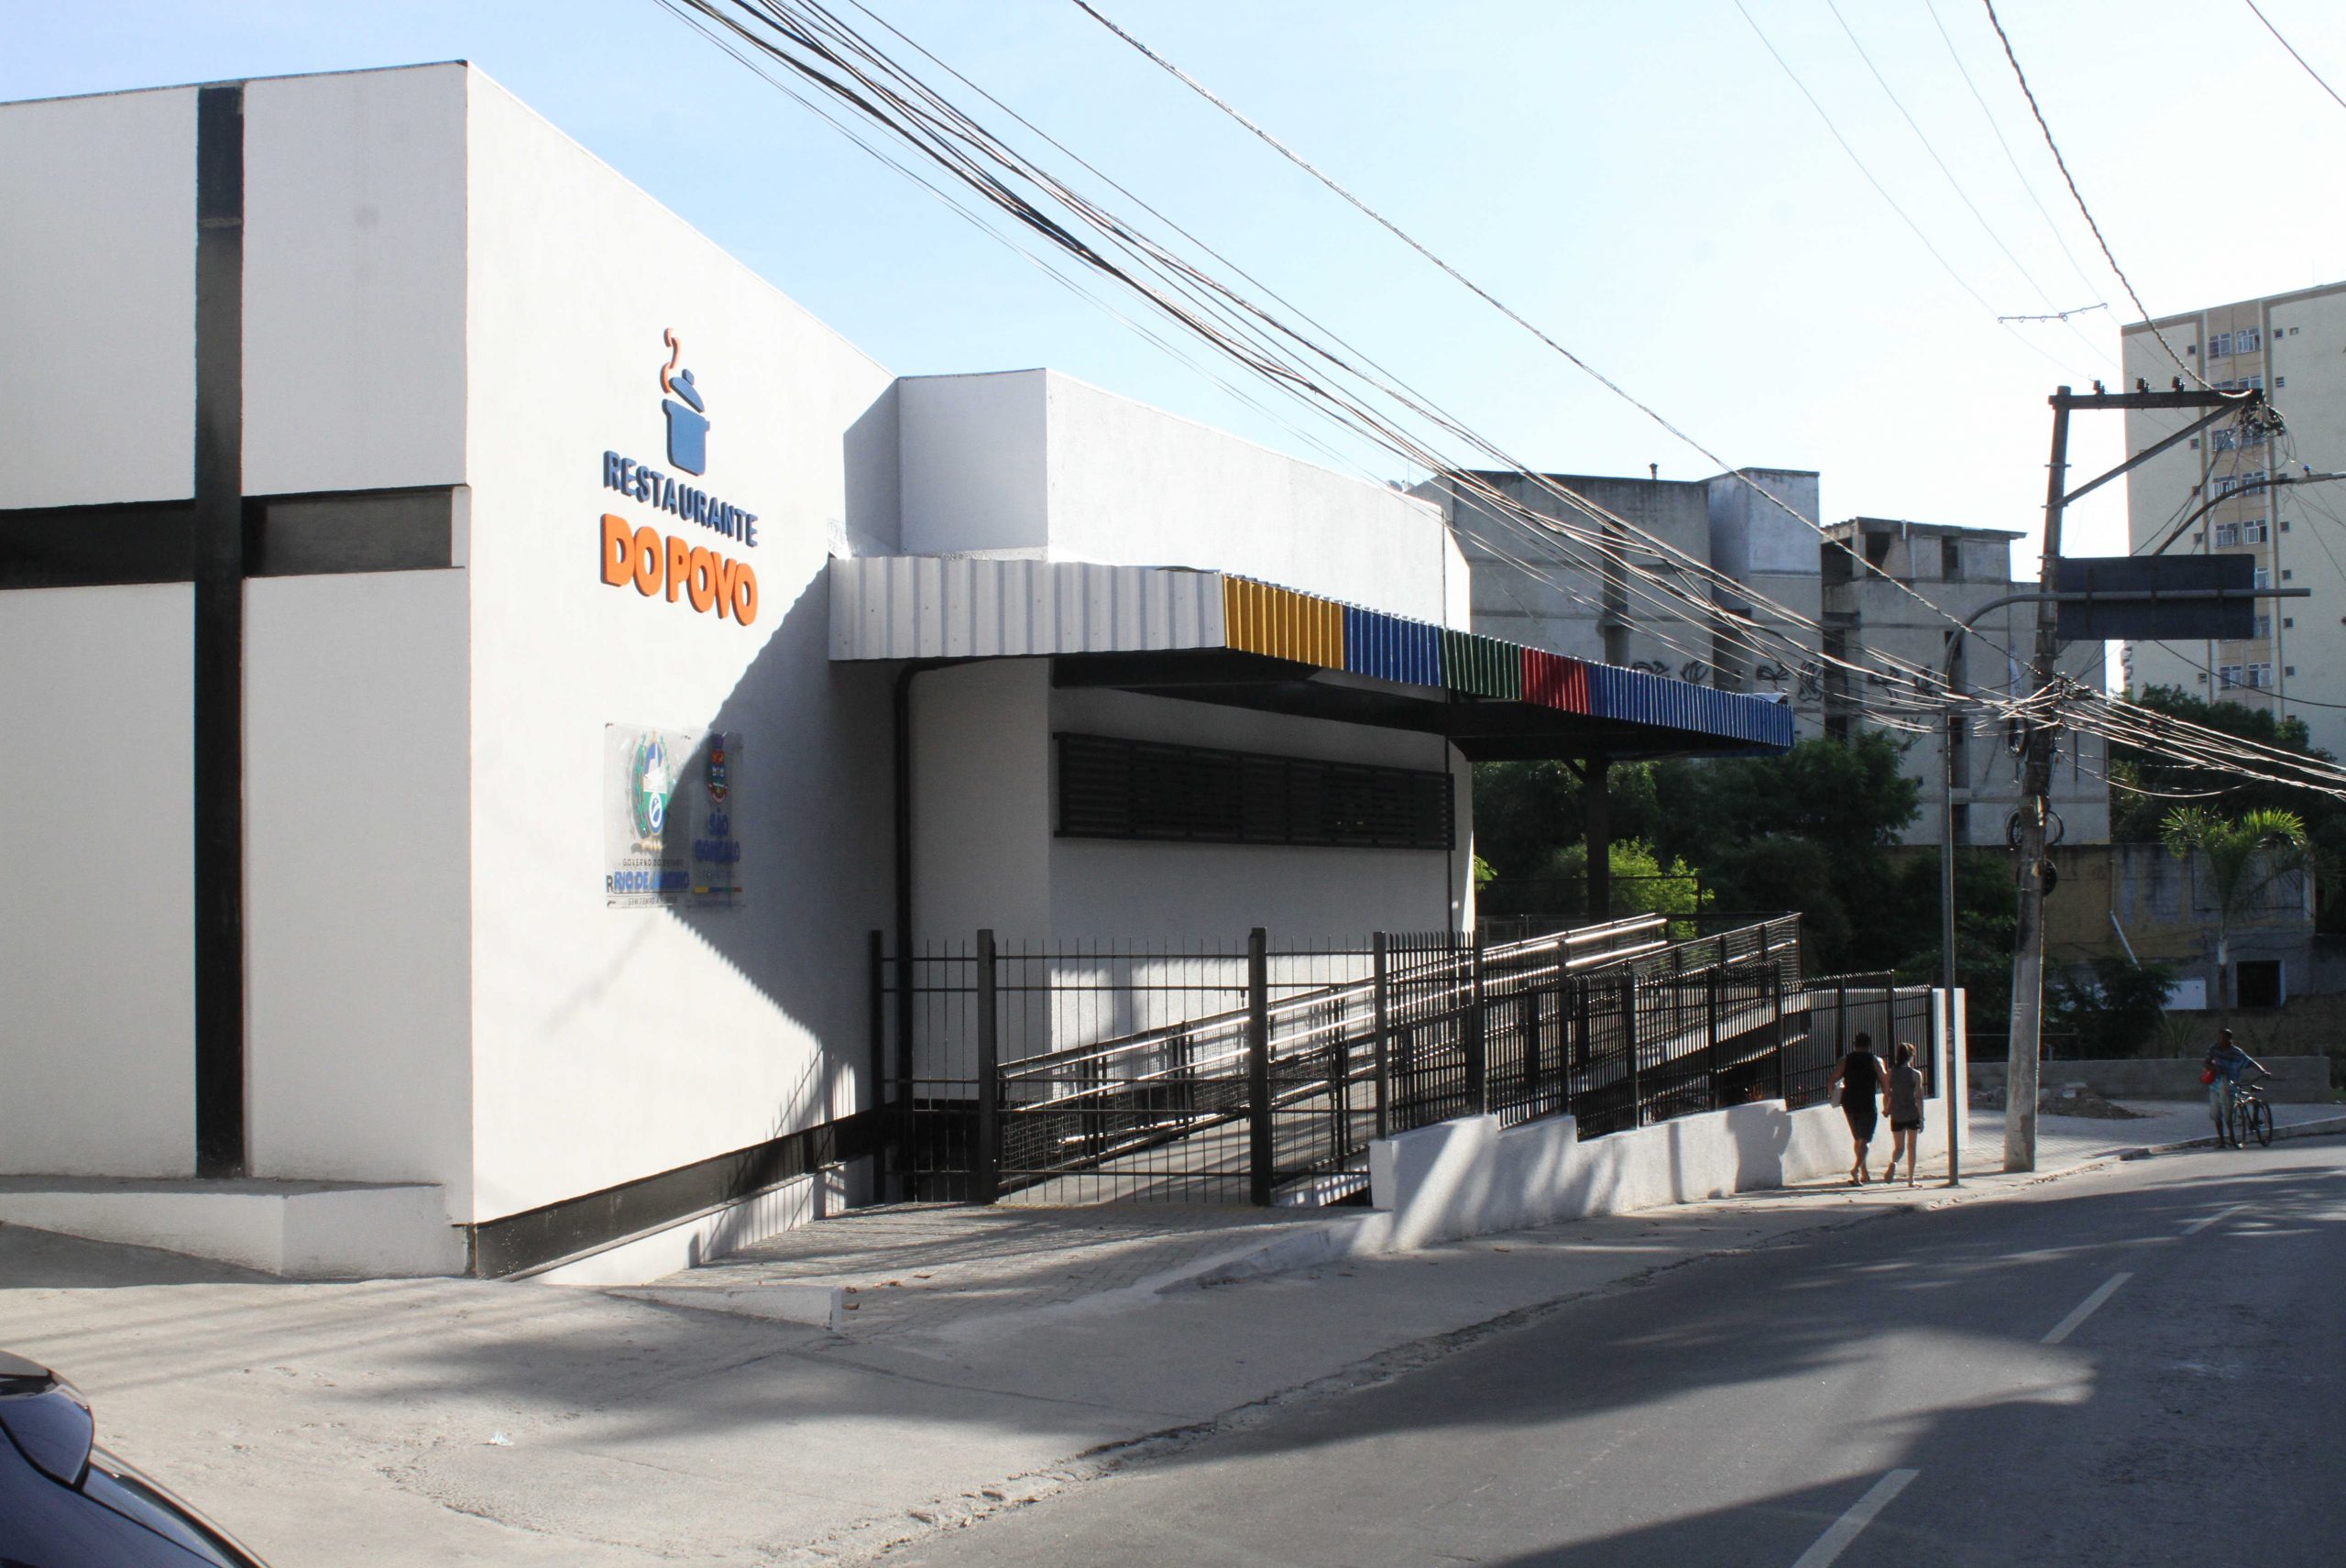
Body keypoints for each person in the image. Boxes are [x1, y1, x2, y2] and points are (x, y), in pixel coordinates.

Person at [1838, 1032, 1890, 1185]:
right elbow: (1885, 1081)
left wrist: (1834, 1096)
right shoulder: (1875, 1060)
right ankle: (1855, 1169)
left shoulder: (1845, 1060)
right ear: (1869, 1045)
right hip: (1867, 1103)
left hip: (1849, 1103)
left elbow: (1832, 1079)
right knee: (1865, 1140)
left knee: (1858, 1139)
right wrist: (1887, 1103)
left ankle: (1864, 1172)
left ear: (1854, 1044)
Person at [2204, 1028, 2269, 1148]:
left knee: (2228, 1114)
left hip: (2230, 1086)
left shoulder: (2237, 1053)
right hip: (2215, 1085)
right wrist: (2213, 1068)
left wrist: (2263, 1071)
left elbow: (2250, 1062)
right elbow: (2206, 1063)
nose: (2219, 1040)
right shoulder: (2214, 1049)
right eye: (2219, 1038)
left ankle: (2232, 1138)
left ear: (2229, 1040)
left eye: (2222, 1038)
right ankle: (2222, 1141)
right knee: (2216, 1114)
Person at [1886, 1042, 1925, 1187]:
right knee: (1911, 1146)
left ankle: (1894, 1162)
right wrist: (1921, 1118)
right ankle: (1911, 1179)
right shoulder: (1916, 1074)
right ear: (1911, 1056)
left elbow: (1888, 1094)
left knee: (1899, 1148)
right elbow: (1919, 1098)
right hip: (1911, 1113)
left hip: (1897, 1114)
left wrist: (1887, 1108)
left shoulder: (1891, 1073)